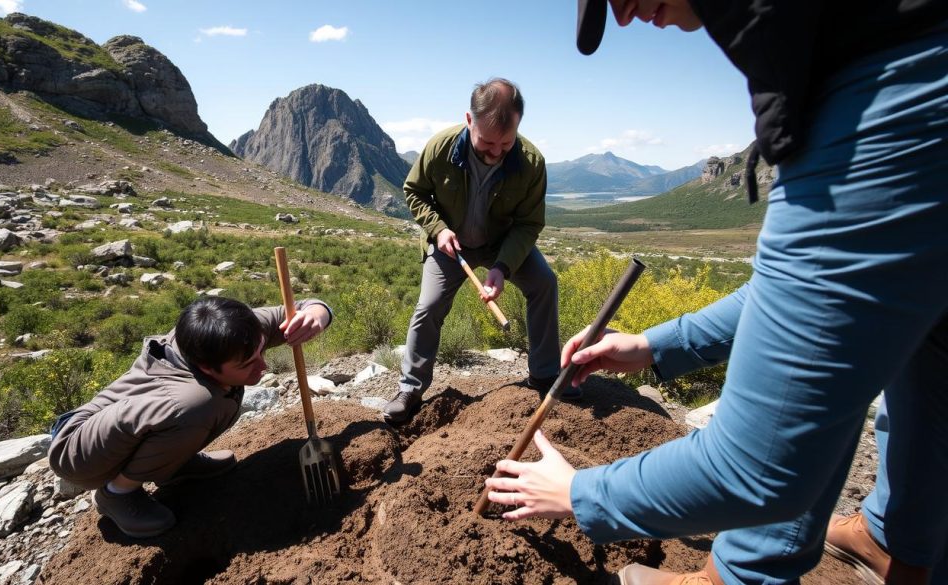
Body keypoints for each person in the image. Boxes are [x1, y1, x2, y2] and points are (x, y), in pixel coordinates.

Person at [483, 1, 948, 584]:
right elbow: (831, 305)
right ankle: (894, 539)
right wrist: (656, 346)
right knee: (926, 359)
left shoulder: (884, 114)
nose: (622, 16)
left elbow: (756, 467)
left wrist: (581, 493)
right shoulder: (896, 44)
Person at [48, 296, 332, 538]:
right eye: (248, 363)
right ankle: (116, 494)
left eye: (261, 350)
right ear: (207, 369)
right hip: (79, 453)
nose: (263, 365)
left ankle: (174, 463)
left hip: (130, 429)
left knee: (201, 408)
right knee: (198, 409)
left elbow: (299, 309)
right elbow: (181, 410)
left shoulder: (229, 336)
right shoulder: (188, 396)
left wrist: (314, 316)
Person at [382, 77, 579, 425]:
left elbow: (529, 224)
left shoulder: (532, 162)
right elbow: (414, 191)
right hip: (449, 247)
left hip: (502, 244)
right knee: (428, 306)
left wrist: (503, 266)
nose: (496, 152)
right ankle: (410, 390)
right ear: (469, 120)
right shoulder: (440, 147)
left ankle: (545, 375)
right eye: (487, 142)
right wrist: (438, 230)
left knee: (544, 282)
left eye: (506, 143)